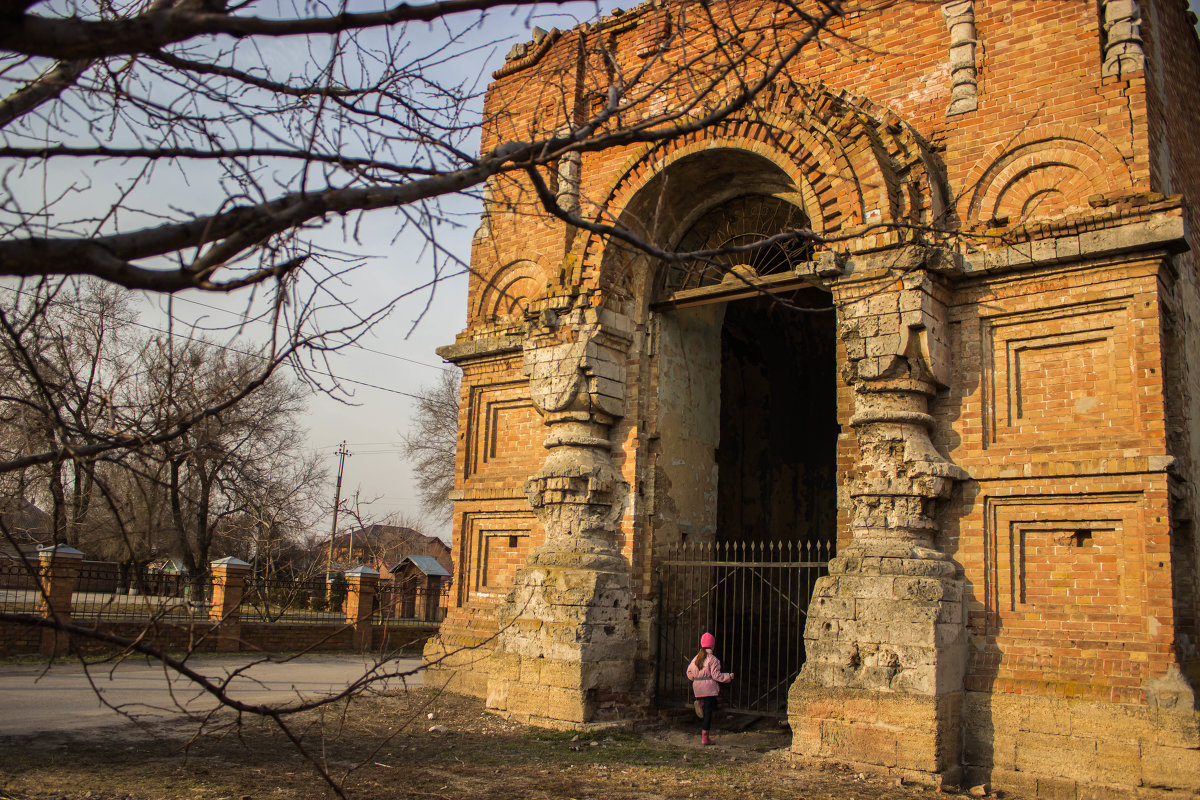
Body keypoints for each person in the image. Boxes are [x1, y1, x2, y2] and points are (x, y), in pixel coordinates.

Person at [685, 631, 734, 745]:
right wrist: (728, 676)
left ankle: (700, 703)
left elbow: (689, 673)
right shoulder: (713, 660)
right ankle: (705, 738)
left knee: (710, 706)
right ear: (712, 645)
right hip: (709, 689)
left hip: (698, 688)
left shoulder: (696, 659)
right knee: (708, 713)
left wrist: (696, 679)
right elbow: (716, 676)